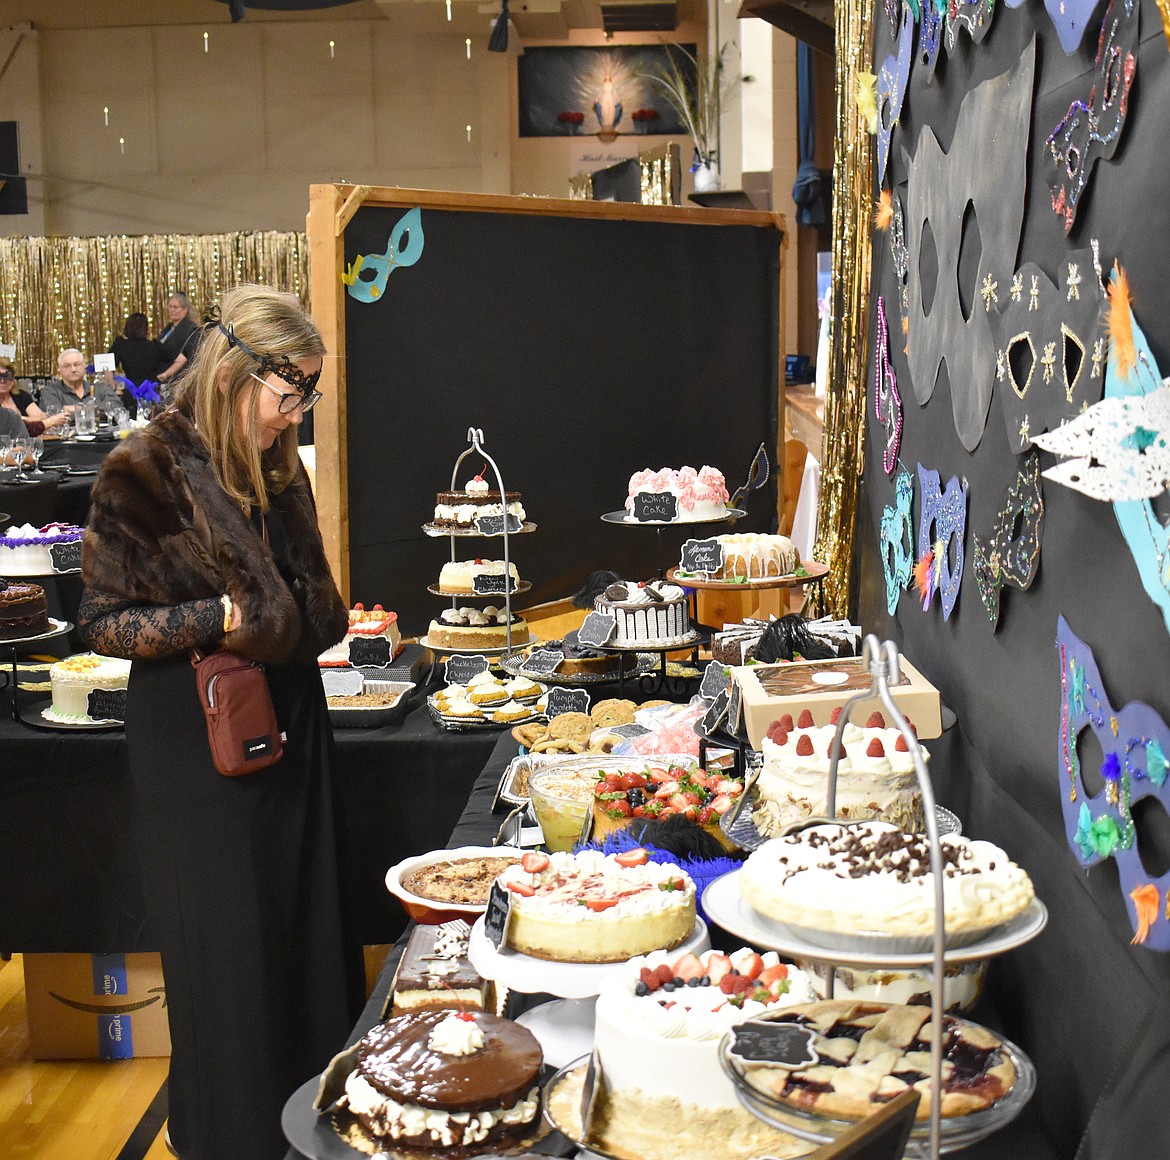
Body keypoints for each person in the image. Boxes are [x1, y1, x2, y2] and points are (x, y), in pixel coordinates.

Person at [78, 284, 361, 1160]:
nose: (298, 413)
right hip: (197, 744)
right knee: (229, 953)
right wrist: (217, 619)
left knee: (306, 937)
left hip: (290, 725)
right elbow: (103, 621)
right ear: (240, 375)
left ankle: (316, 1128)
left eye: (309, 394)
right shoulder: (143, 471)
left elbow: (314, 605)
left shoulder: (278, 468)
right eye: (291, 393)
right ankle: (234, 1139)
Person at [107, 312, 165, 417]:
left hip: (131, 392)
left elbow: (107, 366)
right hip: (152, 392)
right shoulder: (154, 346)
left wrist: (114, 388)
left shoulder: (121, 345)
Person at [39, 347, 121, 416]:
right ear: (59, 370)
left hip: (102, 434)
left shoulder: (100, 387)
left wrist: (76, 409)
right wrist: (97, 410)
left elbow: (116, 407)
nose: (73, 369)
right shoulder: (50, 391)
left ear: (84, 366)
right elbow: (57, 416)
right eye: (67, 366)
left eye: (77, 364)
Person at [0, 357, 68, 435]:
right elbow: (25, 429)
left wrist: (23, 419)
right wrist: (50, 421)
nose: (3, 381)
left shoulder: (20, 395)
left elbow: (42, 417)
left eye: (7, 376)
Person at [156, 291, 201, 387]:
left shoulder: (192, 329)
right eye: (170, 306)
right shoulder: (168, 328)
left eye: (175, 307)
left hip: (181, 379)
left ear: (185, 310)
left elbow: (190, 357)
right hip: (165, 379)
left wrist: (166, 374)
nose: (171, 310)